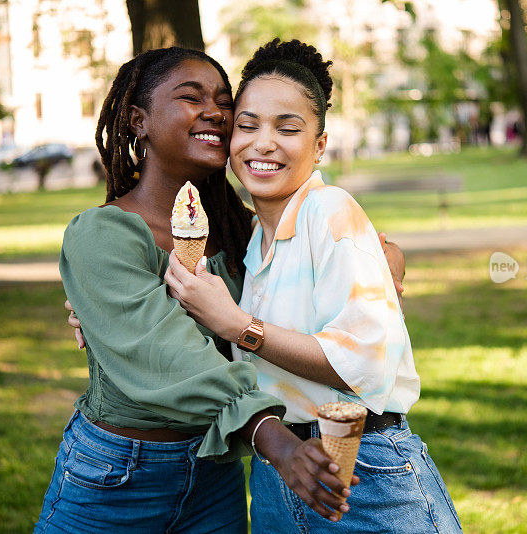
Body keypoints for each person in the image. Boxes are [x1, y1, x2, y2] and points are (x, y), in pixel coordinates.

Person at [35, 46, 364, 533]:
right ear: (137, 119)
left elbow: (354, 248)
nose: (216, 111)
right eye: (191, 97)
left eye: (224, 101)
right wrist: (275, 441)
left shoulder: (245, 234)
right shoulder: (103, 236)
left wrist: (389, 261)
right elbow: (168, 353)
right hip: (117, 479)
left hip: (216, 476)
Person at [166, 39, 462, 533]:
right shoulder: (256, 238)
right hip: (278, 474)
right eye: (247, 125)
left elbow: (362, 362)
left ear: (319, 145)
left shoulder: (330, 211)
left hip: (364, 474)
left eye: (288, 128)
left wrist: (239, 326)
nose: (263, 143)